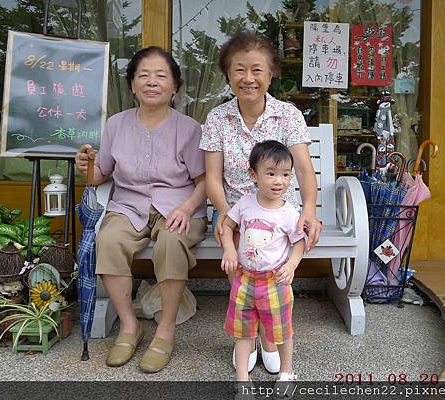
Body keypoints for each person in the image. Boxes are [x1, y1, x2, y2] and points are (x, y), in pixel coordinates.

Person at [74, 46, 208, 372]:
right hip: (129, 205)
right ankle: (129, 325)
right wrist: (85, 166)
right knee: (108, 240)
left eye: (161, 76)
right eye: (143, 75)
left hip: (179, 207)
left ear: (174, 87)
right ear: (132, 84)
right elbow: (99, 175)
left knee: (171, 241)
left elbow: (205, 181)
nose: (152, 82)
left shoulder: (189, 128)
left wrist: (187, 208)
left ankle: (165, 330)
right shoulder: (116, 125)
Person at [200, 31, 322, 374]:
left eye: (257, 70)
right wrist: (226, 215)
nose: (248, 78)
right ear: (228, 74)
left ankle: (271, 335)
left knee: (279, 263)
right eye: (239, 70)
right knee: (240, 266)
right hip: (234, 209)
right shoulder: (217, 118)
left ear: (271, 75)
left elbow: (304, 171)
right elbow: (212, 177)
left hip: (279, 210)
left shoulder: (288, 115)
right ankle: (247, 334)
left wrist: (309, 210)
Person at [221, 141, 304, 386]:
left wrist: (292, 264)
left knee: (282, 331)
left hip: (275, 281)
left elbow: (299, 242)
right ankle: (242, 381)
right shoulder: (245, 203)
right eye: (271, 174)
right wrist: (229, 250)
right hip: (244, 280)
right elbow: (227, 226)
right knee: (243, 332)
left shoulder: (289, 213)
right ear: (253, 175)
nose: (279, 181)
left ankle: (286, 374)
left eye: (286, 175)